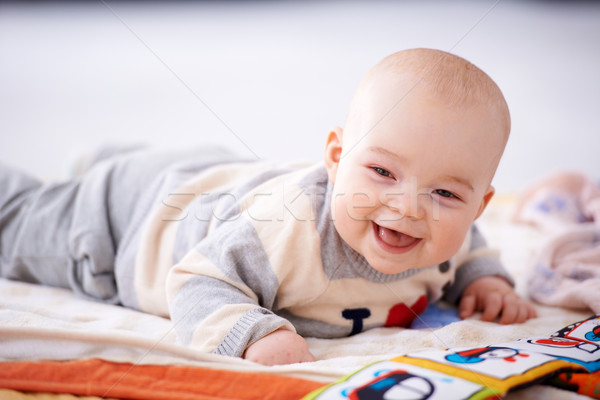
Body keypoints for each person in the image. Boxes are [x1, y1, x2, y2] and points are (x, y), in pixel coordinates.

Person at [0, 48, 536, 366]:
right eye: (382, 172)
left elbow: (469, 246)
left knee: (210, 174)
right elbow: (195, 282)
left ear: (479, 205)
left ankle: (108, 157)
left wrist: (484, 280)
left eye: (444, 194)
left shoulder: (455, 232)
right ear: (336, 158)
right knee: (18, 221)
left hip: (221, 178)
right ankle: (99, 172)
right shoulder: (288, 232)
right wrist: (256, 334)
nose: (409, 207)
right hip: (124, 224)